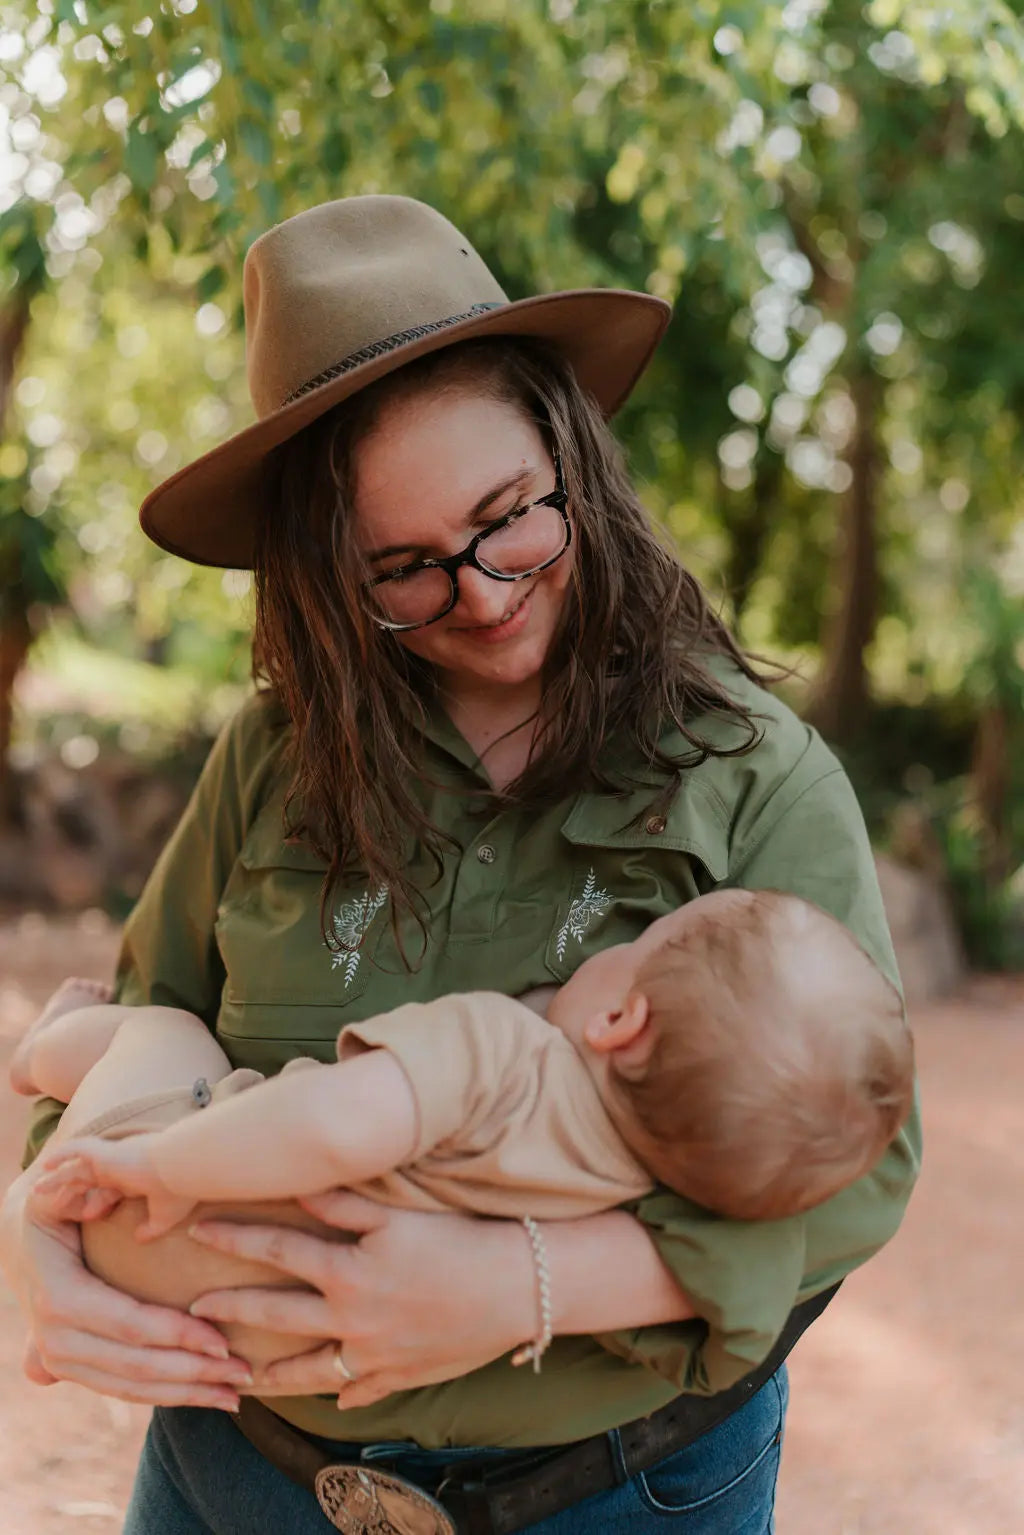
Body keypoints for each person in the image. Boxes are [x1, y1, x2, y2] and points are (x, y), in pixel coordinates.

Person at [0, 194, 922, 1534]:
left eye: (508, 521)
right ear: (327, 576)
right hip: (236, 1474)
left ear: (572, 461)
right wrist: (39, 1222)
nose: (484, 594)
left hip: (620, 1492)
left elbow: (866, 1167)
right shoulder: (271, 753)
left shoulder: (752, 771)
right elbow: (137, 1026)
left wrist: (531, 1281)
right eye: (408, 569)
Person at [16, 888, 915, 1386]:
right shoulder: (622, 1195)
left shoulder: (506, 1054)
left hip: (147, 1217)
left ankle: (42, 1046)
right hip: (249, 1348)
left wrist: (157, 1162)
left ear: (618, 1016)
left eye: (639, 940)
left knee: (168, 1035)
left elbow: (333, 1124)